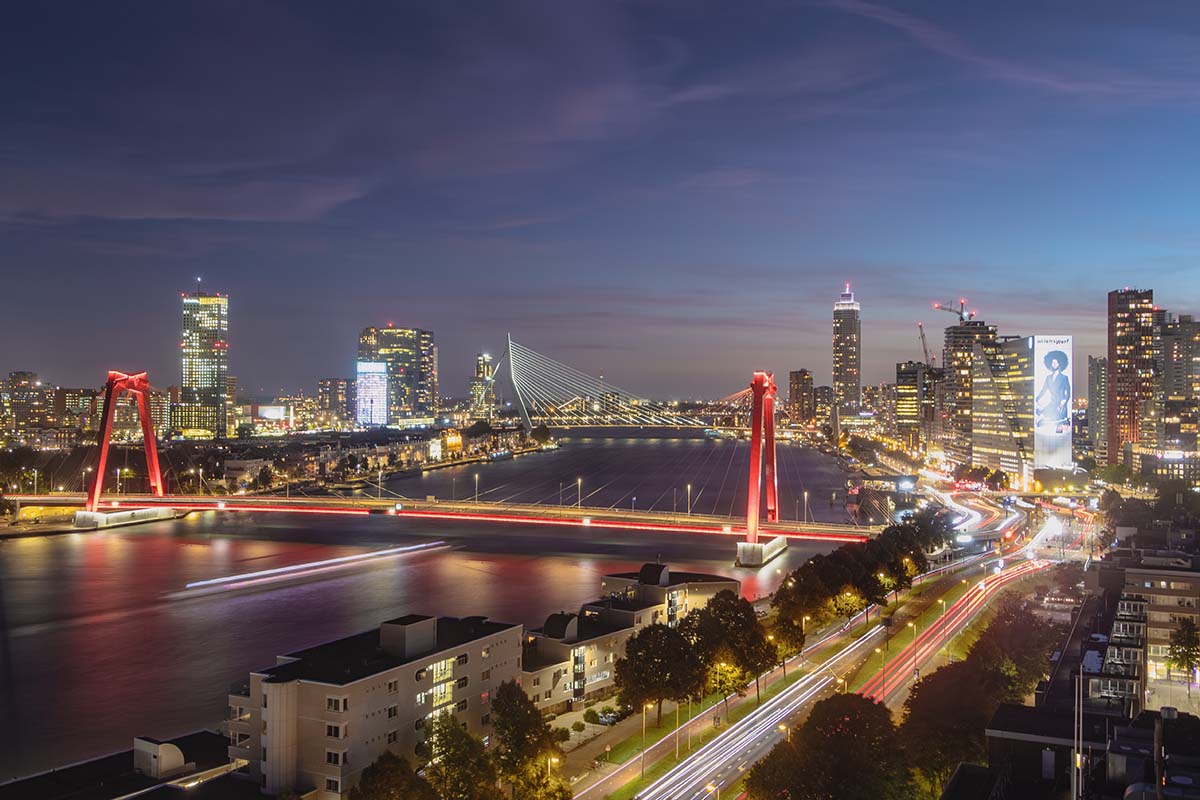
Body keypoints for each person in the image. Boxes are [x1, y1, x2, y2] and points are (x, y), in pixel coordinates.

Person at [1035, 350, 1071, 431]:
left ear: (1060, 363)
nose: (1053, 365)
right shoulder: (1048, 378)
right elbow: (1043, 390)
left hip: (1060, 406)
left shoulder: (1064, 377)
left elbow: (1068, 393)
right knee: (1041, 419)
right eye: (1052, 363)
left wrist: (1064, 402)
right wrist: (1036, 398)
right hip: (1052, 404)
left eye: (1056, 363)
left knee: (1059, 428)